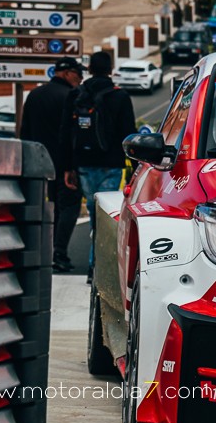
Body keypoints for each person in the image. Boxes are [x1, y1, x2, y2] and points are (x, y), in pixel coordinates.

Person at [60, 51, 136, 270]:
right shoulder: (120, 96)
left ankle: (95, 267)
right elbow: (129, 134)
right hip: (111, 164)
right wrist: (134, 168)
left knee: (94, 213)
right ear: (111, 69)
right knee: (104, 218)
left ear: (90, 69)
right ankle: (97, 268)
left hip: (82, 163)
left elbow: (65, 133)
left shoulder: (76, 94)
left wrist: (67, 167)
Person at [20, 57, 84, 273]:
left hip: (39, 163)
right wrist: (72, 166)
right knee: (69, 207)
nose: (80, 78)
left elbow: (25, 132)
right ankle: (59, 252)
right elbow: (72, 135)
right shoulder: (71, 96)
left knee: (50, 207)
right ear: (66, 73)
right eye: (78, 73)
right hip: (65, 164)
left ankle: (45, 251)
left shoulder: (35, 95)